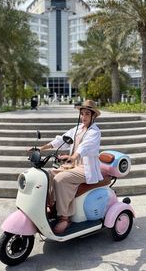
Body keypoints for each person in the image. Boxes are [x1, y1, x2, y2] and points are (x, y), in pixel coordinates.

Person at [39, 100, 103, 234]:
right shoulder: (78, 129)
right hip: (73, 165)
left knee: (61, 179)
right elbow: (62, 139)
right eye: (82, 114)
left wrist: (73, 157)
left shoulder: (95, 132)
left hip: (86, 169)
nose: (83, 117)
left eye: (87, 114)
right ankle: (52, 206)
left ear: (93, 116)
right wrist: (41, 148)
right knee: (49, 174)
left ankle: (65, 218)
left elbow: (84, 147)